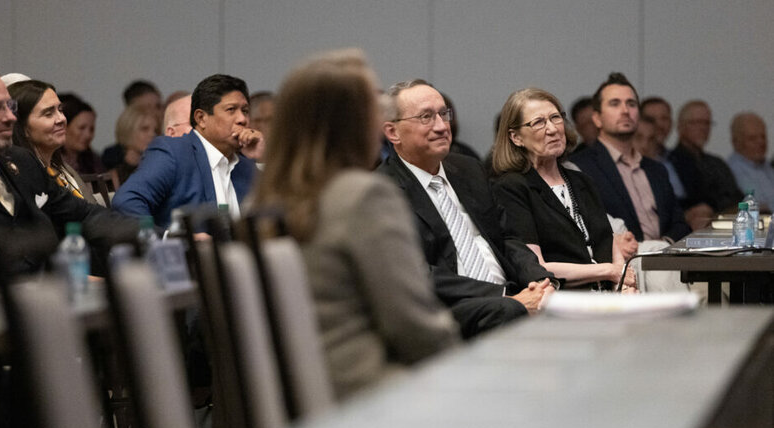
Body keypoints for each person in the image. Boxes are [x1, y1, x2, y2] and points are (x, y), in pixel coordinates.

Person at [252, 49, 458, 399]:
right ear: (352, 123)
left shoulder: (261, 203)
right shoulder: (363, 197)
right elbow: (414, 329)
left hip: (297, 396)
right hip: (368, 396)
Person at [0, 66, 137, 293]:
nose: (10, 117)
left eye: (10, 106)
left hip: (53, 298)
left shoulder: (21, 161)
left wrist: (152, 234)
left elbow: (82, 214)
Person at [378, 79, 555, 339]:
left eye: (443, 114)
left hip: (511, 293)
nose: (441, 126)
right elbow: (414, 272)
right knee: (507, 312)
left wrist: (540, 281)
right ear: (393, 132)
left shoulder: (468, 169)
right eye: (426, 117)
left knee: (564, 305)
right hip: (449, 306)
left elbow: (507, 238)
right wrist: (506, 297)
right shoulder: (383, 190)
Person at [491, 88, 635, 291]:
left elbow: (609, 243)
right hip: (562, 301)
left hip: (607, 296)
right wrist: (608, 271)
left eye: (555, 118)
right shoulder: (511, 187)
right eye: (539, 122)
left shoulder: (582, 181)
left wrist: (624, 285)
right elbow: (537, 267)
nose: (552, 129)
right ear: (516, 138)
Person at [112, 74, 261, 228]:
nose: (242, 119)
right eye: (231, 110)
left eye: (245, 111)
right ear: (201, 118)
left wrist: (261, 159)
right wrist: (168, 239)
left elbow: (276, 214)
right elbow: (127, 201)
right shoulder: (174, 152)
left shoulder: (244, 164)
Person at [570, 73, 690, 243]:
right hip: (619, 263)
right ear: (597, 118)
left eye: (631, 104)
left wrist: (664, 247)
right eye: (615, 104)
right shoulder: (579, 168)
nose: (625, 111)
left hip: (665, 261)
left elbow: (680, 224)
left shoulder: (656, 169)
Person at [8, 80, 97, 203]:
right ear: (23, 128)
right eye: (48, 114)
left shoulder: (64, 171)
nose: (61, 119)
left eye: (60, 110)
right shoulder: (19, 179)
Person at [668, 100, 741, 229]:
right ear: (680, 126)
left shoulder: (717, 163)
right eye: (696, 122)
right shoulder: (670, 162)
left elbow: (737, 198)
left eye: (707, 123)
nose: (703, 128)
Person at [727, 112, 774, 213]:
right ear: (736, 142)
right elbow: (755, 205)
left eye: (763, 137)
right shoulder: (732, 171)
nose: (761, 142)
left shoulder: (768, 168)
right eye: (752, 138)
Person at [110, 104, 158, 184]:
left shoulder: (158, 169)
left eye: (155, 130)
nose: (152, 134)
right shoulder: (114, 177)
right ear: (128, 130)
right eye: (144, 129)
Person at [59, 93, 104, 174]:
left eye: (91, 129)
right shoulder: (51, 161)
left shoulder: (94, 161)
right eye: (81, 128)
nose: (88, 135)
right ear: (64, 127)